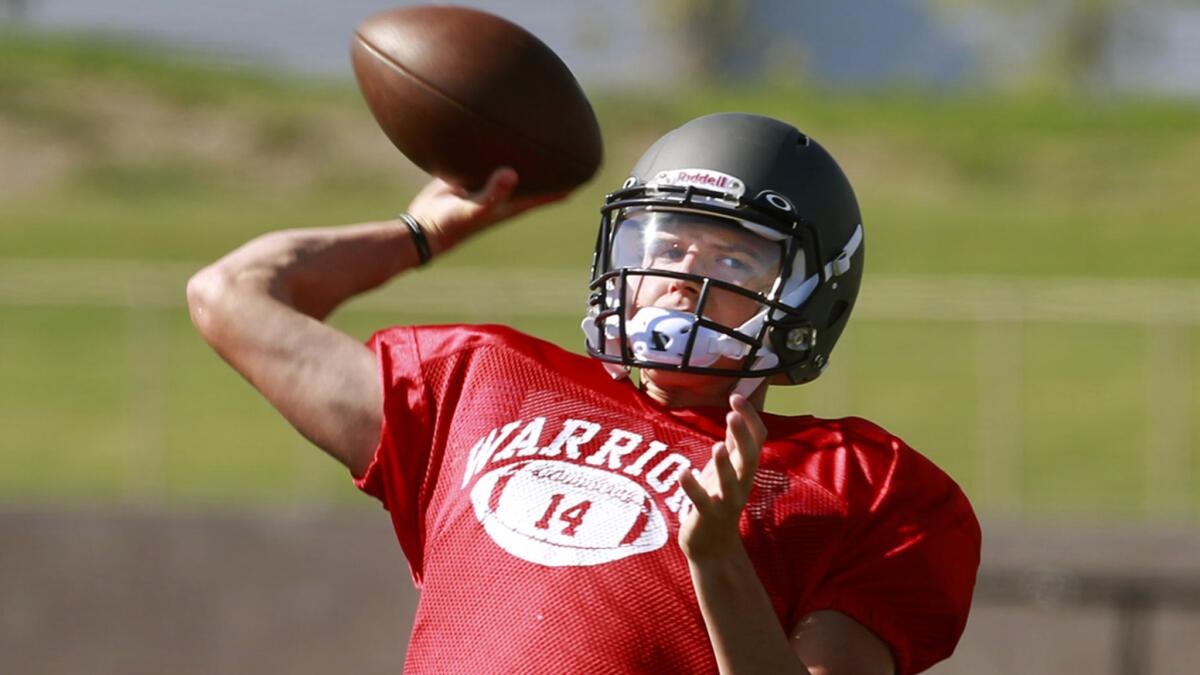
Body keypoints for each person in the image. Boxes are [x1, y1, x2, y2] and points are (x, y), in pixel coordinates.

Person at [188, 113, 980, 674]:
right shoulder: (482, 381)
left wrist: (719, 563)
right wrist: (426, 230)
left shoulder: (866, 484)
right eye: (665, 245)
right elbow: (233, 295)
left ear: (811, 296)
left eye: (733, 263)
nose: (679, 279)